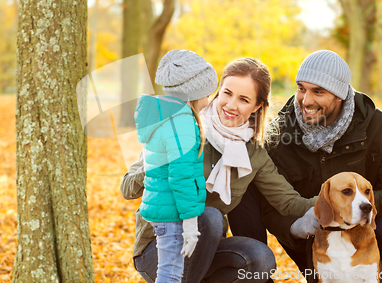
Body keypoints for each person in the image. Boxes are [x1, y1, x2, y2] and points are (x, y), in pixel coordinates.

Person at [227, 50, 382, 283]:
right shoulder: (281, 132)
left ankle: (368, 273)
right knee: (245, 177)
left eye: (318, 91)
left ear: (340, 95)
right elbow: (270, 205)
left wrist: (357, 207)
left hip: (362, 231)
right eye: (301, 88)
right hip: (307, 235)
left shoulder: (375, 124)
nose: (306, 101)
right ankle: (259, 276)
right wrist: (298, 226)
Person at [122, 56, 317, 283]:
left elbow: (288, 201)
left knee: (261, 259)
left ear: (257, 106)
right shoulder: (183, 127)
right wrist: (160, 159)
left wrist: (338, 202)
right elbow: (127, 188)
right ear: (217, 91)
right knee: (209, 217)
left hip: (206, 253)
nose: (231, 105)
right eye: (227, 93)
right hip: (158, 248)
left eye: (243, 99)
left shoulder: (253, 154)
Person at [135, 49, 218, 282]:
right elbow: (181, 175)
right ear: (194, 93)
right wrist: (191, 225)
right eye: (208, 93)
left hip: (161, 207)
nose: (210, 99)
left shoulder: (164, 116)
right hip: (171, 213)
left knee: (170, 270)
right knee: (170, 273)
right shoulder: (181, 122)